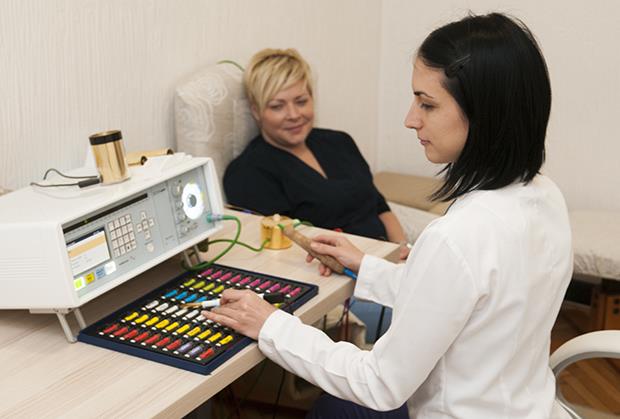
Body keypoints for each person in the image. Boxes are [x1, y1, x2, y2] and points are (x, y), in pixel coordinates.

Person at [205, 12, 573, 419]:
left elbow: (380, 384)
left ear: (485, 113)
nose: (410, 119)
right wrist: (365, 266)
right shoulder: (545, 195)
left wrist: (272, 324)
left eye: (427, 104)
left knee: (334, 411)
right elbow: (455, 296)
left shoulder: (457, 236)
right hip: (529, 407)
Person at [223, 48, 407, 245]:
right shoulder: (247, 172)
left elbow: (379, 206)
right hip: (330, 262)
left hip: (385, 255)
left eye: (301, 101)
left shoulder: (340, 142)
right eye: (277, 106)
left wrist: (402, 251)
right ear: (256, 111)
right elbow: (283, 246)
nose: (294, 115)